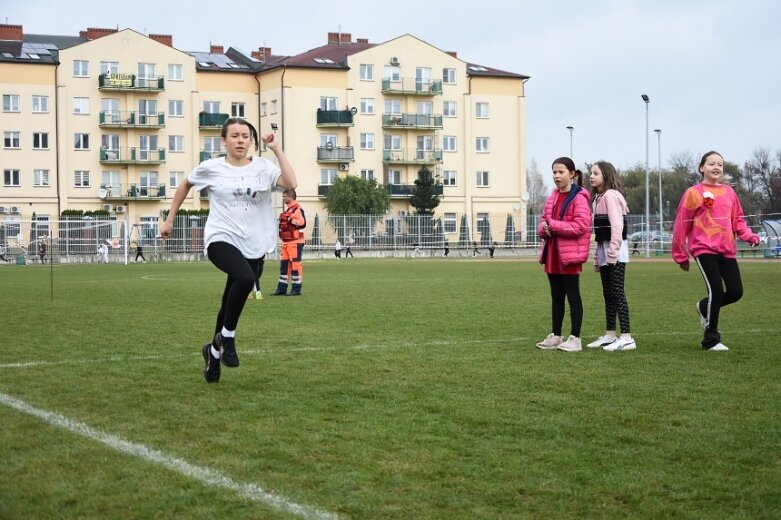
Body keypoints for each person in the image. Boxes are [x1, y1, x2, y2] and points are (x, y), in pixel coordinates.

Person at [160, 117, 297, 383]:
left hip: (255, 243)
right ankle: (228, 339)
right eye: (234, 136)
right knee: (246, 279)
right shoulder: (211, 167)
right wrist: (169, 219)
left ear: (251, 141)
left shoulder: (263, 167)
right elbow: (185, 184)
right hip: (221, 238)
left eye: (245, 136)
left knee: (227, 306)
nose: (240, 140)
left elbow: (291, 182)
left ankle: (212, 353)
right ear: (223, 140)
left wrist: (277, 150)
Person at [671, 150, 760, 352]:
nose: (716, 167)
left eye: (720, 164)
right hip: (704, 249)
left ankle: (704, 307)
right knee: (716, 291)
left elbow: (738, 220)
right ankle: (711, 339)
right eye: (712, 163)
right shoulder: (693, 193)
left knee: (736, 291)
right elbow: (680, 225)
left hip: (727, 250)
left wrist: (749, 236)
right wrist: (680, 255)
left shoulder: (729, 193)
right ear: (702, 168)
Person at [535, 157, 592, 352]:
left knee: (573, 296)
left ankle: (575, 338)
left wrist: (553, 226)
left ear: (572, 174)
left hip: (569, 256)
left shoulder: (579, 198)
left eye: (561, 172)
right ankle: (556, 335)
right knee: (556, 296)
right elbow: (543, 224)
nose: (557, 176)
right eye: (554, 172)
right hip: (552, 254)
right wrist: (545, 229)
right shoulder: (552, 197)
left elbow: (581, 226)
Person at [586, 161, 636, 351]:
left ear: (606, 175)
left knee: (617, 292)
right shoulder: (598, 198)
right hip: (604, 251)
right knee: (608, 294)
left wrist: (613, 252)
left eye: (596, 173)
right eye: (591, 173)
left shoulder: (611, 196)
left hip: (616, 252)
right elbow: (599, 234)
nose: (591, 176)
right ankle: (610, 334)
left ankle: (627, 337)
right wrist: (597, 258)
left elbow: (617, 226)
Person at [271, 188, 306, 296]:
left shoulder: (297, 209)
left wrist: (291, 220)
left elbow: (302, 223)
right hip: (287, 242)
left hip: (295, 242)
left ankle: (296, 289)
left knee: (295, 265)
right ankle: (281, 289)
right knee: (284, 266)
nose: (283, 198)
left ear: (290, 197)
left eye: (284, 196)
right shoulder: (288, 210)